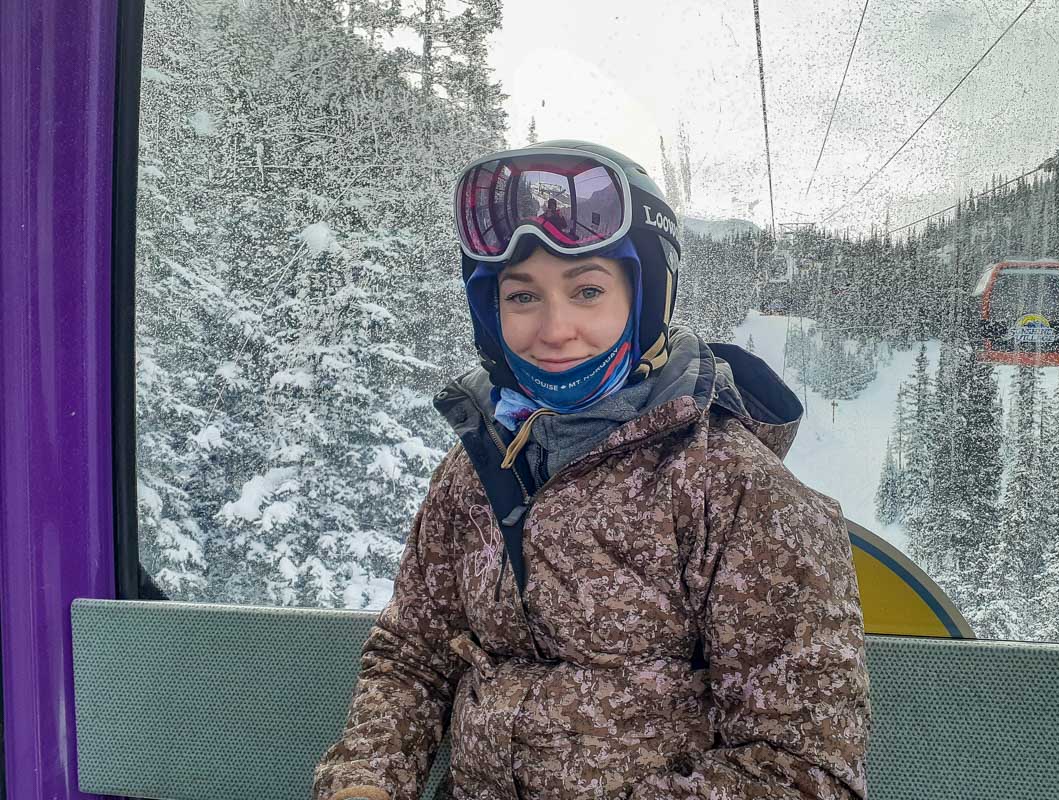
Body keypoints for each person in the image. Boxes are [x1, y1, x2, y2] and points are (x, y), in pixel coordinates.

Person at [312, 141, 870, 800]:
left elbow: (805, 770)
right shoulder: (478, 468)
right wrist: (366, 783)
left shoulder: (733, 491)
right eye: (522, 297)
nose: (554, 329)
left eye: (587, 291)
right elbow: (415, 652)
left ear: (645, 297)